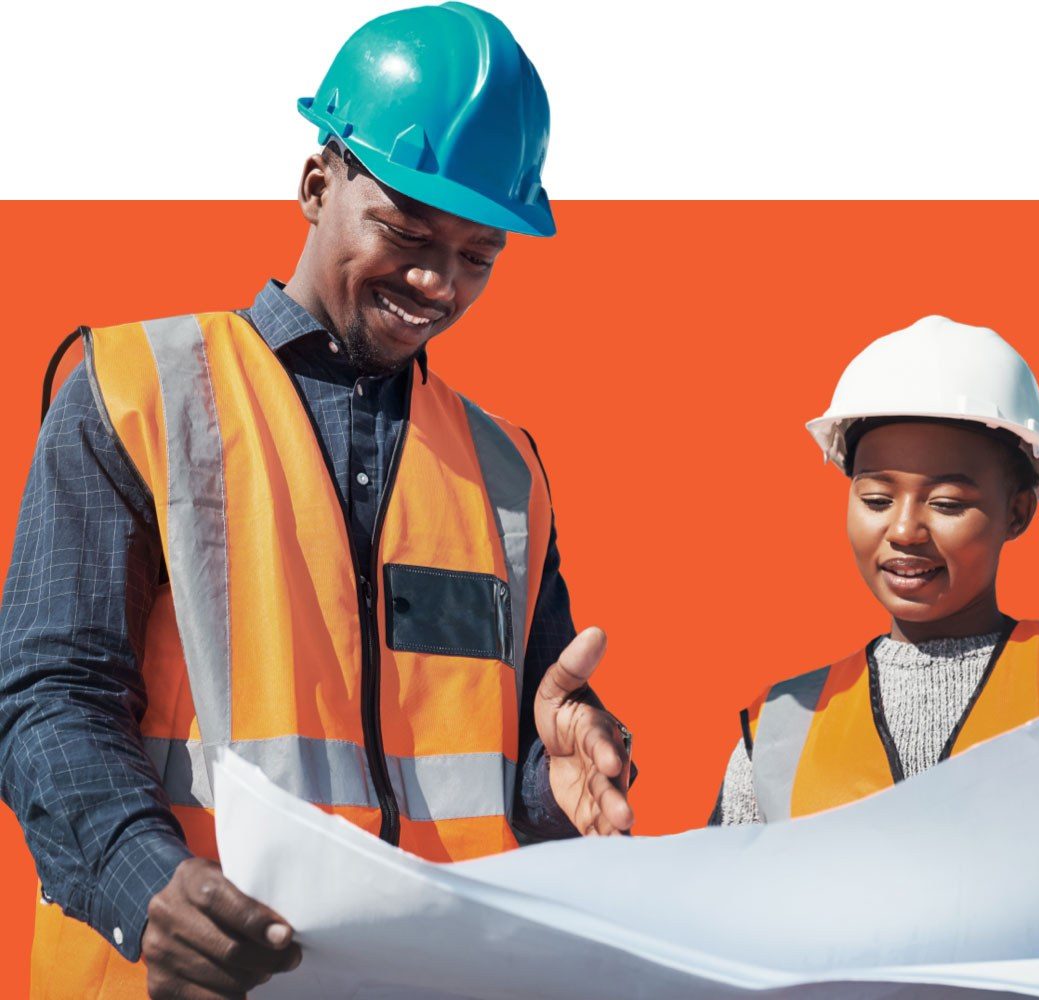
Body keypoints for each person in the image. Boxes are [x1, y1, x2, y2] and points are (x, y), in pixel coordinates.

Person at [0, 5, 633, 998]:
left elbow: (506, 754)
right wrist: (147, 886)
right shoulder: (137, 391)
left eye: (479, 255)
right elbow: (47, 703)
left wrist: (556, 781)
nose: (438, 282)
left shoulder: (507, 472)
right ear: (314, 184)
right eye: (406, 229)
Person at [710, 314, 1039, 827]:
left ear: (1017, 513)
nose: (904, 530)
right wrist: (615, 839)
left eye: (945, 503)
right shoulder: (780, 731)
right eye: (876, 499)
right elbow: (715, 899)